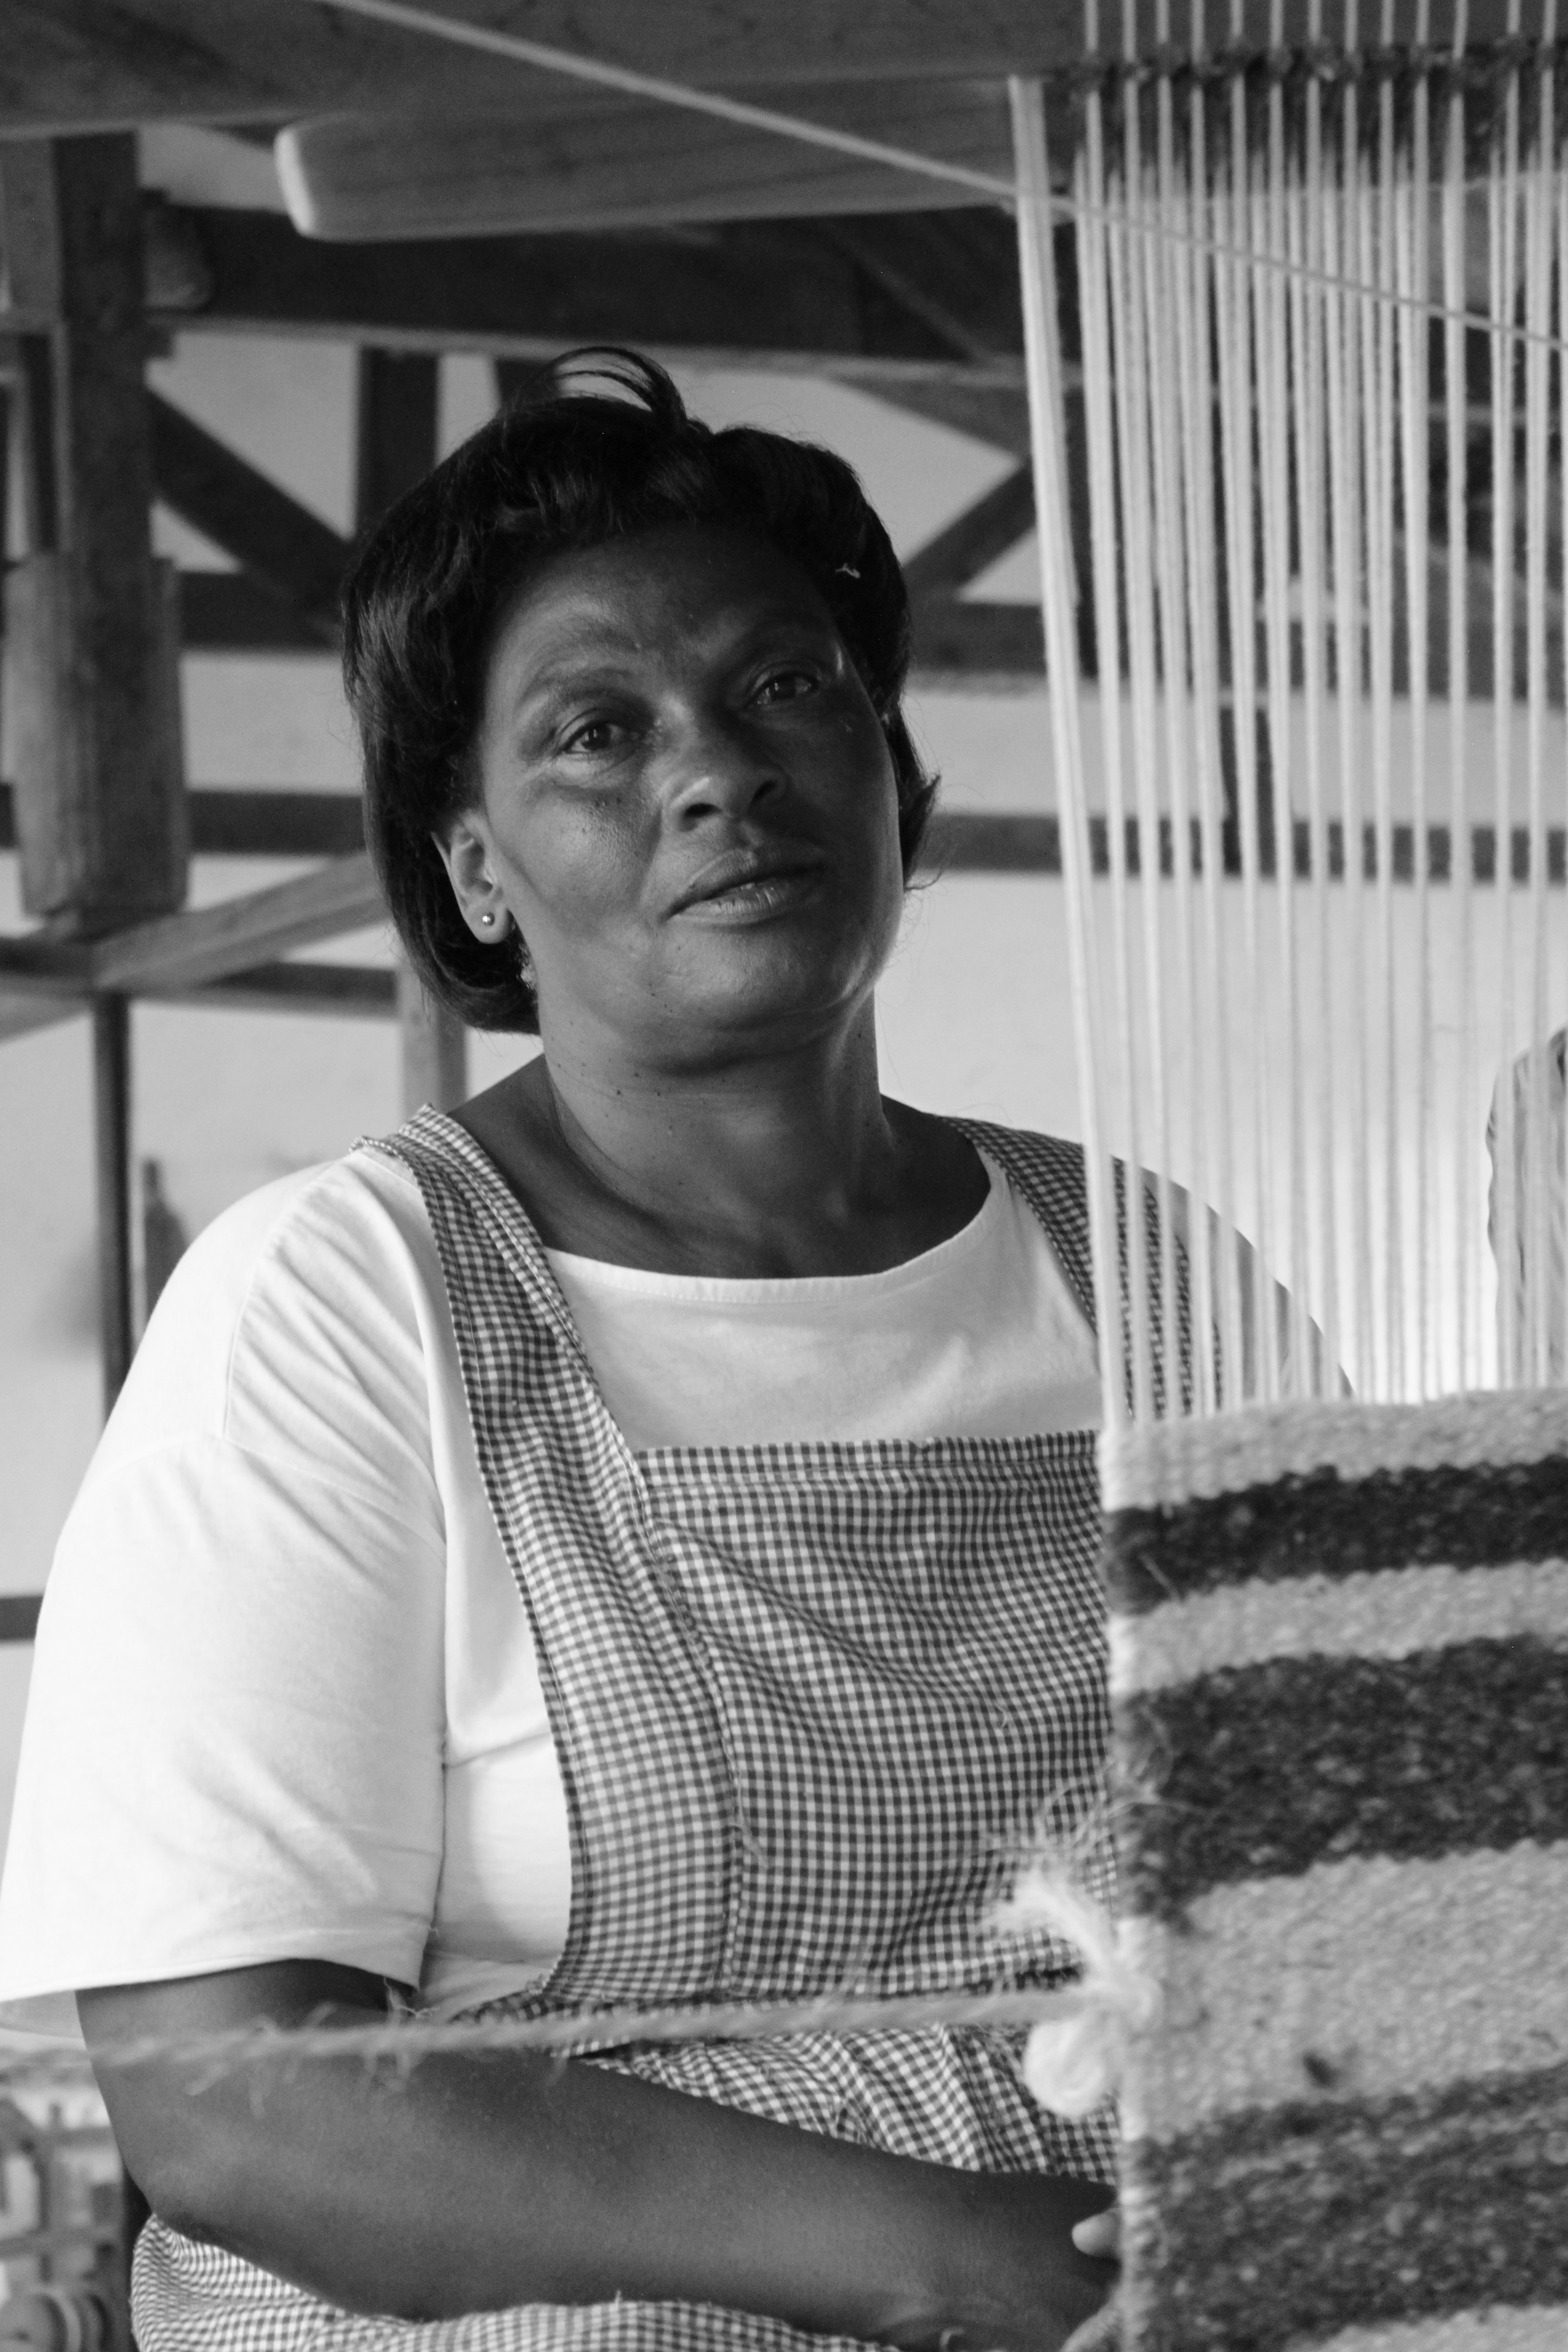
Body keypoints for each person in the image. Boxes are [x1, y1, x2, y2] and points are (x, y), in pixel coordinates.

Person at [0, 351, 1125, 2352]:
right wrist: (968, 2268)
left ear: (889, 769)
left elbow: (1341, 1829)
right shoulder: (344, 1306)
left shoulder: (1148, 1277)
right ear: (475, 870)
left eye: (787, 688)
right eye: (601, 732)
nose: (717, 771)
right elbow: (238, 2103)